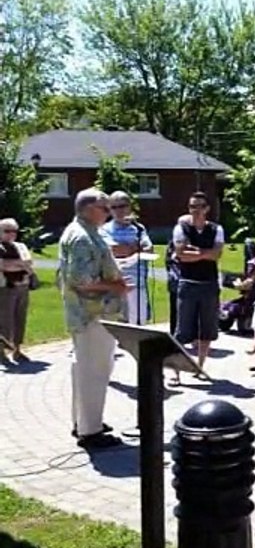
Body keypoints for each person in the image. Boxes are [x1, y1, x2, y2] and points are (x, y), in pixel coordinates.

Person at [59, 188, 128, 449]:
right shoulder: (81, 237)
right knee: (94, 371)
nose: (109, 213)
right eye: (104, 208)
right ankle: (91, 432)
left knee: (85, 369)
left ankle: (84, 421)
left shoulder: (86, 231)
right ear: (88, 209)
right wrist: (116, 286)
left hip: (91, 313)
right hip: (92, 315)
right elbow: (81, 280)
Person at [173, 192, 224, 382]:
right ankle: (176, 372)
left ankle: (200, 367)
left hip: (209, 284)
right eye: (192, 206)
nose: (196, 210)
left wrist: (196, 252)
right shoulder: (181, 228)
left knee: (207, 329)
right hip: (187, 283)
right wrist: (205, 254)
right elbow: (181, 254)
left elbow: (217, 254)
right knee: (182, 329)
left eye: (200, 206)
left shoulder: (216, 229)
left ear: (207, 209)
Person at [102, 191, 153, 325]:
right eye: (114, 207)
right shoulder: (105, 229)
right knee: (118, 325)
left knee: (139, 325)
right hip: (116, 285)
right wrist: (136, 248)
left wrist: (129, 249)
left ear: (130, 207)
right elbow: (115, 250)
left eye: (122, 206)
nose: (118, 211)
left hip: (138, 285)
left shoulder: (138, 228)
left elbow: (149, 249)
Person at [0, 218, 33, 363]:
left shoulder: (21, 246)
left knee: (20, 318)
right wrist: (20, 264)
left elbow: (29, 263)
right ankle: (2, 351)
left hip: (23, 286)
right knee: (5, 319)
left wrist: (15, 264)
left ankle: (17, 350)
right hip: (5, 287)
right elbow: (3, 266)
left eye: (14, 231)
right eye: (7, 231)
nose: (11, 234)